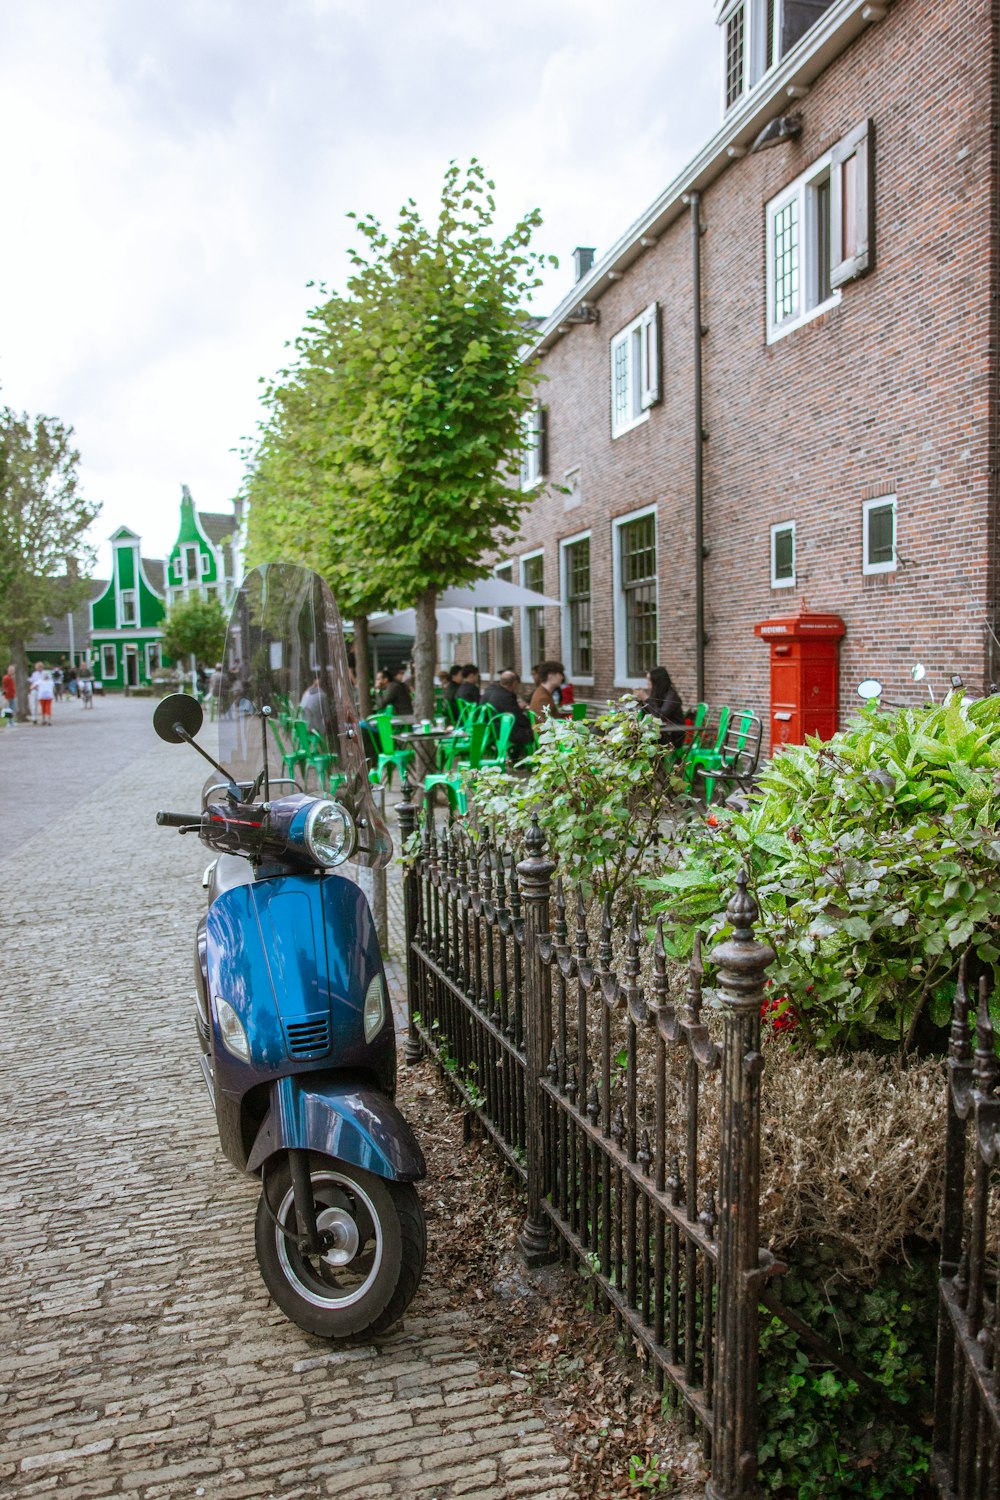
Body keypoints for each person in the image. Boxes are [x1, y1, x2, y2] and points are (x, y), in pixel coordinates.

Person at [482, 670, 534, 759]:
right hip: (507, 732)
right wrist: (531, 722)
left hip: (497, 728)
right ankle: (524, 758)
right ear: (514, 683)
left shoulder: (496, 693)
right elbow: (518, 718)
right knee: (534, 731)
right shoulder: (507, 697)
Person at [635, 666, 685, 750]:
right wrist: (641, 702)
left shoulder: (671, 696)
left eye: (649, 680)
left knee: (640, 743)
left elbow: (661, 717)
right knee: (633, 737)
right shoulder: (657, 694)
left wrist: (647, 699)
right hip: (661, 733)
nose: (647, 683)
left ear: (657, 681)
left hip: (672, 736)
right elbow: (648, 715)